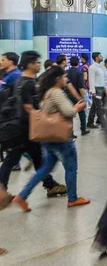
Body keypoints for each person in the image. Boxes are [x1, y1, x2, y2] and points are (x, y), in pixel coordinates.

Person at [12, 66, 90, 211]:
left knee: (44, 169)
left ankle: (22, 195)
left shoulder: (46, 92)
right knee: (71, 167)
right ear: (57, 79)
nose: (66, 79)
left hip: (47, 138)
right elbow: (68, 112)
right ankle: (73, 199)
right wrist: (78, 108)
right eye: (64, 77)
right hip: (60, 138)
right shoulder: (57, 93)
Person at [0, 51, 66, 198]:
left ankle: (50, 185)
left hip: (22, 128)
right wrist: (47, 122)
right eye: (36, 62)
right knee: (13, 159)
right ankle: (2, 190)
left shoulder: (19, 80)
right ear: (29, 64)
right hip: (25, 129)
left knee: (35, 157)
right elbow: (29, 108)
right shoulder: (28, 84)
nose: (38, 65)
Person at [66, 56, 89, 136]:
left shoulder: (67, 72)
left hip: (68, 95)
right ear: (78, 63)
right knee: (82, 113)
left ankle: (70, 132)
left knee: (70, 114)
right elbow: (80, 86)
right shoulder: (79, 73)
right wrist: (82, 97)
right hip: (77, 96)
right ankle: (83, 129)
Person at [87, 52, 105, 128]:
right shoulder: (92, 67)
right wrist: (93, 91)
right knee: (99, 107)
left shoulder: (100, 67)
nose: (102, 57)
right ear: (96, 58)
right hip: (96, 90)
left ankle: (90, 122)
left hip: (100, 89)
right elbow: (91, 80)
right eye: (100, 56)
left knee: (94, 107)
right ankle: (104, 124)